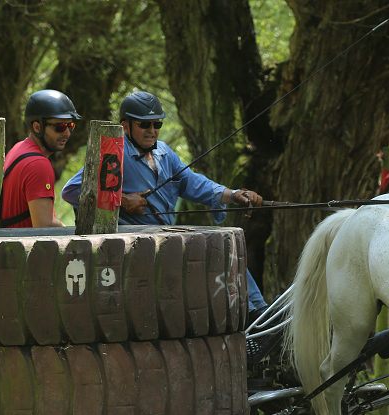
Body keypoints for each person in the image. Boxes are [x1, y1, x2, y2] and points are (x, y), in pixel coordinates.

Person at [62, 91, 268, 313]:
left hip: (167, 239)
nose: (152, 131)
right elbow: (71, 191)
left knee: (227, 248)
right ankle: (251, 315)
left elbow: (193, 183)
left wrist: (235, 194)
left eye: (156, 124)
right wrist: (123, 201)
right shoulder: (114, 154)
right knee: (215, 251)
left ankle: (260, 313)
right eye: (144, 124)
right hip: (138, 247)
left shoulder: (164, 152)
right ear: (125, 126)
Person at [0, 89, 80, 228]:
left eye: (70, 126)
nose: (67, 133)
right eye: (60, 126)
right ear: (37, 126)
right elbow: (44, 225)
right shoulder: (38, 164)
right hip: (24, 247)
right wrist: (71, 235)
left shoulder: (19, 148)